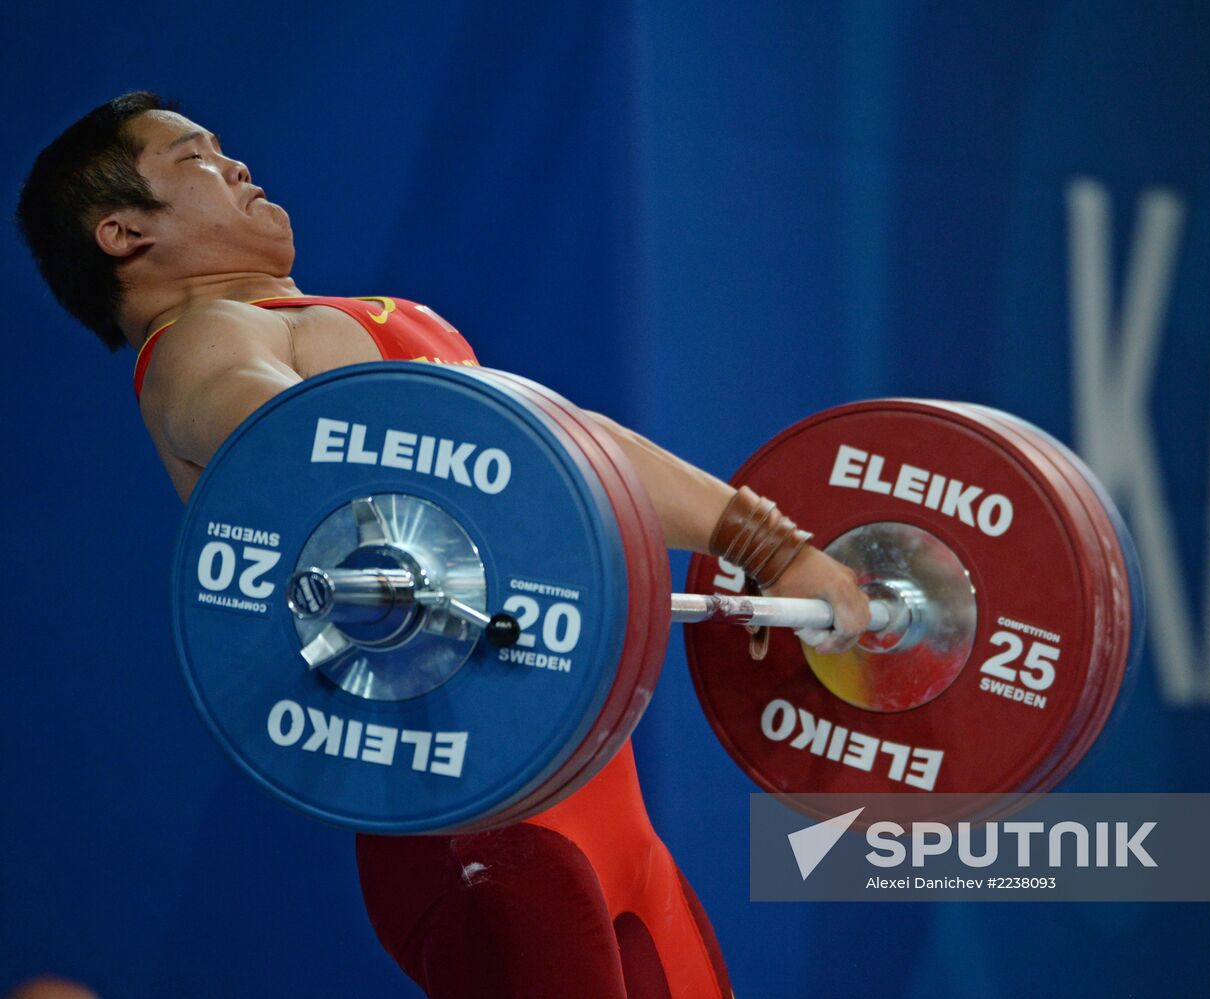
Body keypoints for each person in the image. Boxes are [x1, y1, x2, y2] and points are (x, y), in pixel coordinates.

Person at [17, 92, 870, 999]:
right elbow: (278, 437)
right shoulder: (201, 343)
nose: (236, 165)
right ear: (121, 233)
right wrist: (359, 498)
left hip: (598, 810)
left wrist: (774, 547)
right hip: (480, 829)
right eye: (195, 157)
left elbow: (574, 448)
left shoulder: (352, 322)